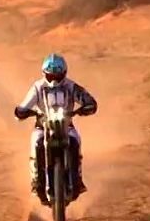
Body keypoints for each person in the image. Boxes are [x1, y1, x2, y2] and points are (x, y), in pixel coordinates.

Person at [13, 52, 96, 201]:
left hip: (66, 125)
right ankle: (36, 180)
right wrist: (22, 111)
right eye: (50, 77)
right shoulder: (37, 87)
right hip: (42, 126)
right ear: (44, 74)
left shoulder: (71, 86)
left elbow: (88, 99)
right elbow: (25, 104)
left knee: (76, 141)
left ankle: (77, 178)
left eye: (57, 77)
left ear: (64, 74)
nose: (54, 81)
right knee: (36, 143)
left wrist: (87, 106)